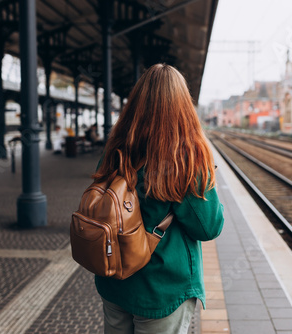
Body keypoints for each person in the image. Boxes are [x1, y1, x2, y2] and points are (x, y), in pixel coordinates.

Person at [92, 63, 224, 334]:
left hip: (114, 278)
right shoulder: (184, 159)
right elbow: (209, 226)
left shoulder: (116, 148)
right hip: (162, 288)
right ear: (183, 107)